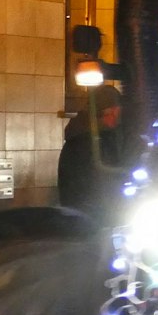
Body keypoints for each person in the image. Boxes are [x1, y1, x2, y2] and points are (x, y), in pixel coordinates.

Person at [58, 85, 122, 219]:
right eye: (115, 113)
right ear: (107, 112)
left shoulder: (78, 138)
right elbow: (103, 185)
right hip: (94, 220)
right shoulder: (90, 143)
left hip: (82, 217)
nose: (117, 119)